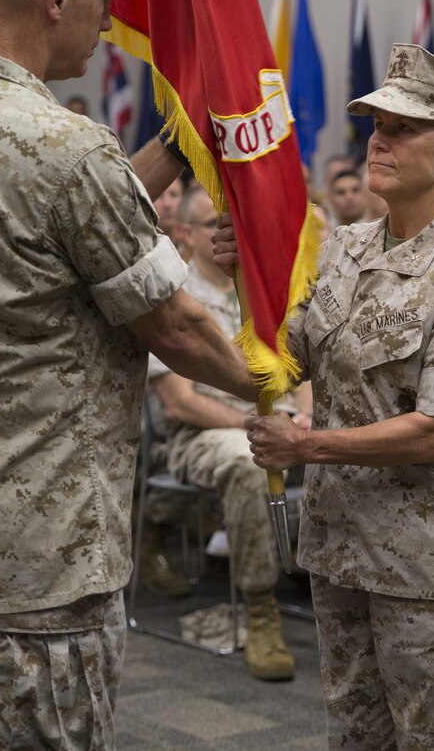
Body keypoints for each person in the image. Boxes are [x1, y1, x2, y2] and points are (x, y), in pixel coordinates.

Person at [0, 0, 258, 751]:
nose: (110, 23)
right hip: (42, 557)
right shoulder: (66, 148)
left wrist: (180, 142)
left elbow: (44, 228)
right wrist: (282, 382)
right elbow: (175, 324)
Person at [216, 44, 434, 747]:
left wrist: (306, 444)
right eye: (377, 124)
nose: (380, 138)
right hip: (345, 547)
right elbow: (279, 366)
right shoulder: (344, 250)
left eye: (404, 128)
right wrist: (243, 282)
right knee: (355, 737)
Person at [148, 185, 303, 681]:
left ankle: (335, 587)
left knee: (354, 440)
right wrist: (260, 427)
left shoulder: (264, 288)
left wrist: (308, 420)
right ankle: (261, 609)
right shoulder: (170, 300)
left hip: (281, 423)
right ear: (185, 234)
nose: (229, 235)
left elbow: (308, 372)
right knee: (245, 458)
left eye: (235, 225)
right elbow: (180, 401)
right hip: (204, 433)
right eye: (217, 224)